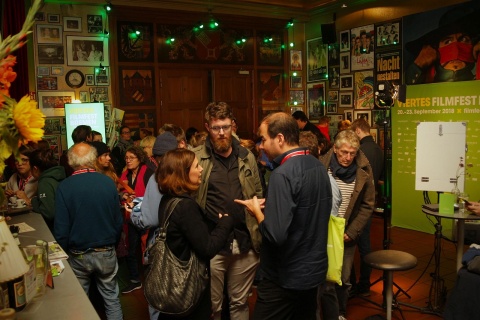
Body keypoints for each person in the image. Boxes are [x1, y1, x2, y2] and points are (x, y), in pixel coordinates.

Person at [234, 112, 332, 320]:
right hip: (313, 272)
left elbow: (275, 235)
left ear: (279, 138)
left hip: (285, 277)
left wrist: (257, 212)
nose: (260, 146)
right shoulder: (318, 166)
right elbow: (307, 208)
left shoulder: (282, 174)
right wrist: (274, 205)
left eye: (263, 139)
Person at [193, 102, 263, 320]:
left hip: (244, 241)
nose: (222, 133)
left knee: (240, 302)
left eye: (225, 126)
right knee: (212, 306)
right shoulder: (195, 157)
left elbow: (258, 193)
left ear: (233, 125)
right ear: (207, 127)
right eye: (216, 128)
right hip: (212, 244)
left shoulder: (247, 156)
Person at [155, 149, 235, 320]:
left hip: (172, 286)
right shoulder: (185, 206)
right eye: (196, 166)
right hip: (188, 287)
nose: (201, 170)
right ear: (183, 173)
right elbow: (207, 248)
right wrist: (226, 223)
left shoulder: (168, 200)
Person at [54, 142, 123, 320]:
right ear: (93, 159)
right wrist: (111, 244)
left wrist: (61, 254)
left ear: (70, 162)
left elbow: (61, 229)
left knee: (79, 302)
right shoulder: (108, 183)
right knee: (112, 300)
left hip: (78, 255)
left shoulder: (65, 186)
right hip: (106, 250)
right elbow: (117, 221)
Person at [319, 130, 375, 320]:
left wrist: (352, 231)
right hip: (325, 231)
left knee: (343, 278)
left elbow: (368, 205)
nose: (347, 157)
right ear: (335, 149)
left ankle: (341, 312)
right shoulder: (321, 165)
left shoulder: (364, 169)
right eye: (343, 152)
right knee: (325, 278)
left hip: (347, 233)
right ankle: (328, 314)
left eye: (352, 153)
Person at [349, 118, 384, 297]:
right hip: (370, 203)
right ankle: (364, 283)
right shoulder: (378, 149)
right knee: (365, 245)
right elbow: (380, 179)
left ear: (357, 131)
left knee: (354, 247)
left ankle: (358, 284)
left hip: (359, 206)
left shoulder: (361, 151)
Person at [405, 6, 480, 84]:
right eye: (448, 42)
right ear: (435, 50)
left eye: (464, 40)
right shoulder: (426, 85)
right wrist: (418, 64)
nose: (456, 49)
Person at [119, 146, 154, 294]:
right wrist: (124, 197)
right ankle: (135, 280)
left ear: (139, 159)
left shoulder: (148, 173)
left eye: (131, 158)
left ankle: (151, 281)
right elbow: (120, 191)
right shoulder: (125, 174)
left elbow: (153, 195)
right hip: (131, 218)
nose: (128, 161)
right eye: (126, 158)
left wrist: (138, 200)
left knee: (147, 249)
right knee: (130, 249)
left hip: (145, 217)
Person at [29, 148, 66, 231]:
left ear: (35, 169)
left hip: (55, 229)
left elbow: (49, 213)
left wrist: (34, 201)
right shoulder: (59, 175)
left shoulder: (45, 182)